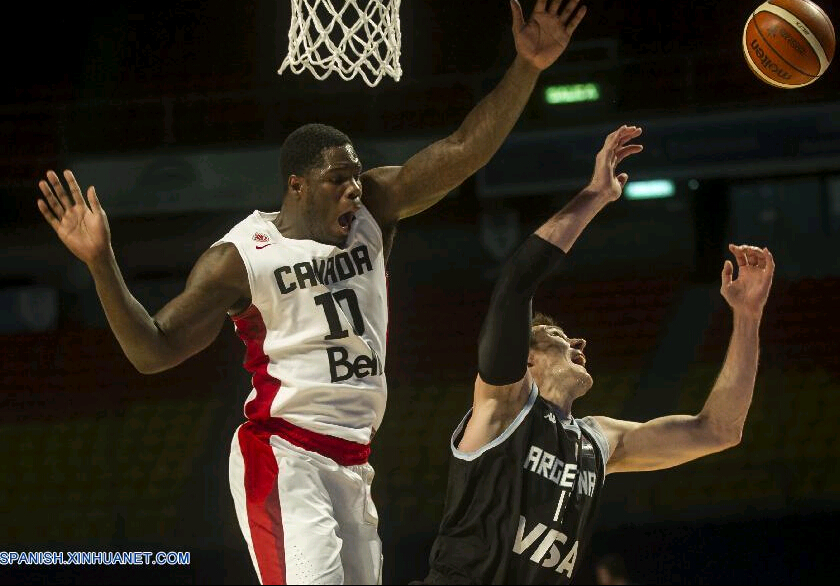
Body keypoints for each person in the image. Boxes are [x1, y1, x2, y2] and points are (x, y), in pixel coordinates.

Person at [34, 1, 588, 583]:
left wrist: (527, 66)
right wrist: (101, 262)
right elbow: (152, 350)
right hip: (284, 456)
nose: (354, 189)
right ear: (297, 186)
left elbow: (462, 150)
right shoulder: (239, 258)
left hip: (354, 462)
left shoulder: (375, 207)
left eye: (356, 176)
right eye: (338, 180)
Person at [421, 124, 775, 584]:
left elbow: (719, 430)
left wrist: (748, 318)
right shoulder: (504, 407)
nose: (578, 343)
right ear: (525, 360)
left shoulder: (597, 441)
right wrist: (595, 195)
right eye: (556, 334)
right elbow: (515, 285)